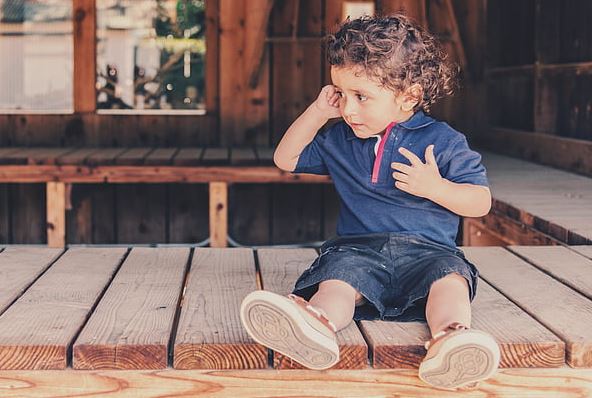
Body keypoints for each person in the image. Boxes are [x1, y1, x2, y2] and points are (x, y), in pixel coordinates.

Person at [240, 13, 500, 391]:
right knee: (338, 282)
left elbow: (480, 202)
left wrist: (436, 188)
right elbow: (286, 159)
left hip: (428, 253)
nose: (348, 109)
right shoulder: (341, 139)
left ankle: (451, 339)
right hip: (358, 251)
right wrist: (317, 112)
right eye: (341, 94)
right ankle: (317, 326)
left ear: (409, 95)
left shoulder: (444, 141)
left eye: (361, 97)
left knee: (451, 280)